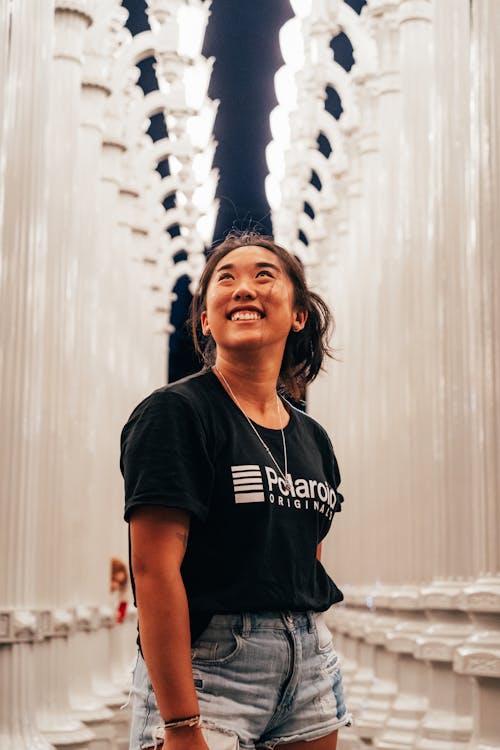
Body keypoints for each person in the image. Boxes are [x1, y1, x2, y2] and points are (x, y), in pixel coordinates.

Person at [120, 232, 351, 750]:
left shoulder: (314, 438)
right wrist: (181, 723)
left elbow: (303, 556)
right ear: (206, 318)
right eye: (226, 278)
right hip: (211, 667)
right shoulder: (176, 413)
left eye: (264, 275)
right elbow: (154, 571)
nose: (243, 287)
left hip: (309, 661)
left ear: (298, 315)